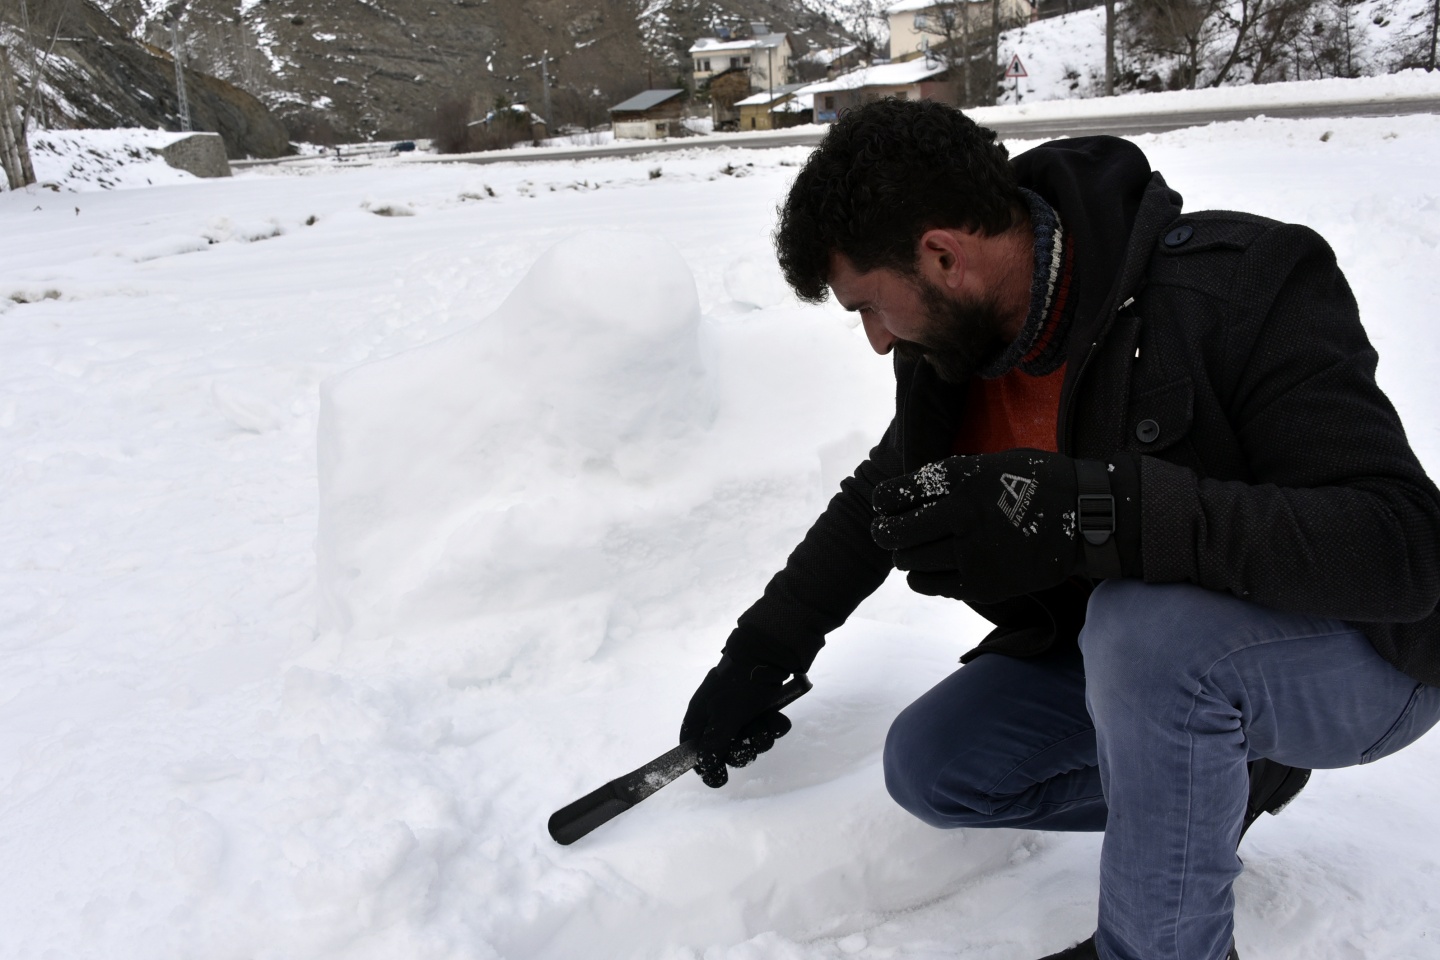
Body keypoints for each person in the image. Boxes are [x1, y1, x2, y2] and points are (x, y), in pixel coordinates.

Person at [677, 98, 1440, 960]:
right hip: (1160, 666)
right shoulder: (957, 357)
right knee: (935, 763)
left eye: (872, 307)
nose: (878, 342)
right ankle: (1217, 769)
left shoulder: (1241, 284)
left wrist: (1087, 510)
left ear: (942, 256)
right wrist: (760, 654)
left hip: (1368, 661)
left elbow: (1402, 548)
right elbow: (880, 501)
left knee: (1144, 632)